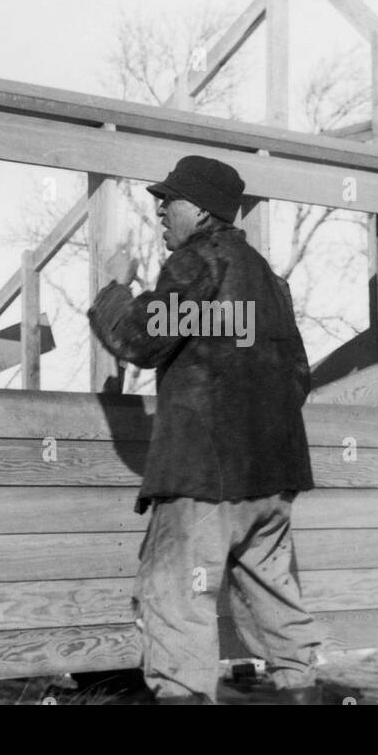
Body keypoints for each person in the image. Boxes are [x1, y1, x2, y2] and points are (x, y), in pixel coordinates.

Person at [87, 155, 322, 704]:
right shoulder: (269, 278)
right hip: (271, 481)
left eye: (170, 199)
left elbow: (143, 340)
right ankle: (302, 692)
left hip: (204, 480)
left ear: (202, 209)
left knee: (174, 597)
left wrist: (114, 291)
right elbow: (298, 376)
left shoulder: (202, 262)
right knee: (271, 596)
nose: (161, 208)